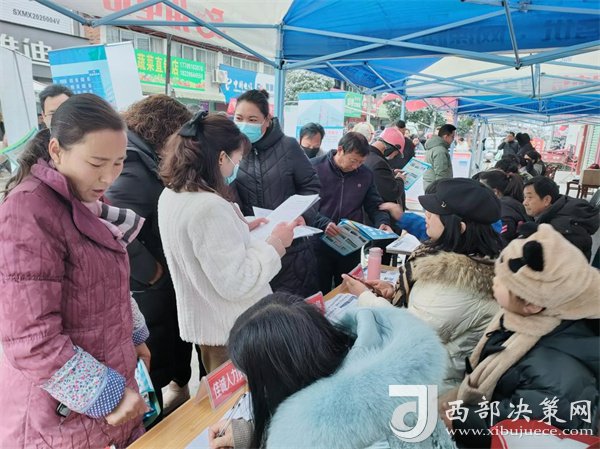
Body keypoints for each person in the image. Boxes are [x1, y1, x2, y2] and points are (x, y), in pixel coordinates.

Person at [0, 94, 149, 448]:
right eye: (96, 163)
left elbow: (106, 285)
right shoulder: (28, 212)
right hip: (57, 416)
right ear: (56, 150)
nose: (108, 177)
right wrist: (108, 395)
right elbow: (30, 339)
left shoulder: (87, 202)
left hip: (105, 396)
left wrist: (135, 336)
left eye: (118, 163)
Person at [209, 293, 455, 449]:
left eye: (253, 378)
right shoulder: (378, 371)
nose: (252, 389)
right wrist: (252, 434)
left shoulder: (331, 435)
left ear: (282, 377)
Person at [157, 111, 298, 373]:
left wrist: (239, 225)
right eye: (237, 160)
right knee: (239, 398)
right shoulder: (208, 207)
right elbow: (237, 281)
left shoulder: (173, 193)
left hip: (211, 324)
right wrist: (275, 244)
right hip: (232, 331)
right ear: (221, 157)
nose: (236, 167)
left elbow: (203, 247)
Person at [442, 225, 599, 448]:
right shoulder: (527, 324)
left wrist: (463, 420)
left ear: (532, 304)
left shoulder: (556, 367)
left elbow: (527, 429)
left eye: (505, 281)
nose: (495, 281)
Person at [344, 178, 503, 390]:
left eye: (434, 212)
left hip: (432, 385)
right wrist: (393, 294)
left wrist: (366, 297)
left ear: (459, 227)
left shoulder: (459, 283)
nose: (426, 215)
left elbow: (409, 333)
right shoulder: (464, 259)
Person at [105, 95, 197, 417]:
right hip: (146, 286)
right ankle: (154, 420)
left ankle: (169, 399)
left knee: (168, 345)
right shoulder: (130, 164)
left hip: (154, 282)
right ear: (166, 129)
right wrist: (153, 272)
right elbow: (114, 230)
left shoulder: (141, 154)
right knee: (153, 354)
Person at [232, 90, 320, 297]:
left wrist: (304, 216)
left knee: (290, 309)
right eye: (239, 118)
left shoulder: (288, 146)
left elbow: (311, 186)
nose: (244, 125)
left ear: (267, 119)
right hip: (252, 250)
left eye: (252, 119)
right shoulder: (231, 149)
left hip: (292, 250)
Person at [312, 132, 392, 293]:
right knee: (319, 290)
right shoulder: (314, 168)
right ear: (340, 150)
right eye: (353, 160)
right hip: (318, 243)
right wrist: (322, 222)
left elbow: (374, 205)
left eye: (361, 162)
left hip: (350, 244)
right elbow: (305, 205)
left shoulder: (365, 174)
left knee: (348, 290)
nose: (356, 166)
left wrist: (382, 221)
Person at [522, 176, 599, 260]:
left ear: (546, 200)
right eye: (525, 197)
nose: (524, 203)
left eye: (529, 197)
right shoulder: (561, 205)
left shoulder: (561, 230)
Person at [478, 169, 530, 243]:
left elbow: (501, 243)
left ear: (495, 192)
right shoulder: (511, 204)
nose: (478, 192)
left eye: (481, 188)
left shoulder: (502, 213)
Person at [367, 126, 405, 206]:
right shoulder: (379, 163)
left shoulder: (367, 155)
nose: (394, 157)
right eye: (396, 153)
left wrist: (391, 172)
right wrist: (400, 179)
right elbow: (391, 193)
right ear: (389, 148)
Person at [423, 124, 456, 189]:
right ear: (446, 136)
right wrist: (442, 190)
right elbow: (441, 174)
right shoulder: (440, 151)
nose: (453, 140)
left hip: (430, 185)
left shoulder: (433, 146)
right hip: (436, 188)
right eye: (452, 137)